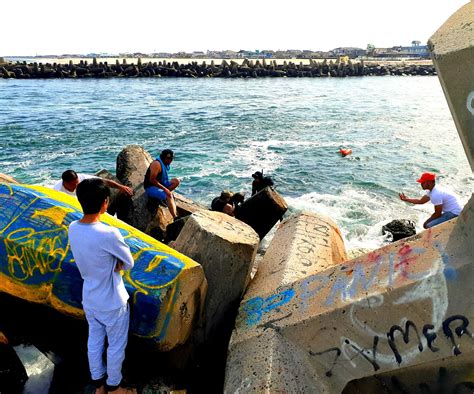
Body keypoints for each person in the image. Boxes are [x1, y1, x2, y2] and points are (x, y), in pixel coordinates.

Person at [68, 178, 134, 394]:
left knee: (94, 341)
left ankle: (98, 385)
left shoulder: (73, 228)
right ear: (106, 202)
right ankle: (115, 388)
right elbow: (129, 262)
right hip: (112, 301)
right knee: (115, 345)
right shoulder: (109, 233)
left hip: (90, 298)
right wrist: (117, 264)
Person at [143, 149, 180, 219]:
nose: (171, 161)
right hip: (151, 187)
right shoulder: (156, 164)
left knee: (176, 181)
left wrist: (165, 189)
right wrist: (165, 189)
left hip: (161, 184)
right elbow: (152, 180)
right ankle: (175, 217)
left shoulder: (165, 163)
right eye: (170, 159)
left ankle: (163, 196)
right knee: (169, 194)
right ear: (165, 158)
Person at [53, 170, 133, 197]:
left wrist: (121, 187)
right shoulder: (57, 190)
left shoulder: (82, 178)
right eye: (73, 185)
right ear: (64, 183)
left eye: (77, 183)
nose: (76, 186)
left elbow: (104, 181)